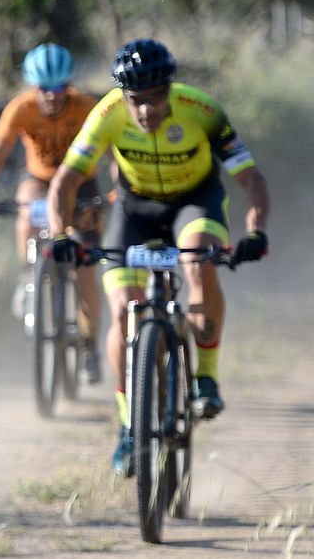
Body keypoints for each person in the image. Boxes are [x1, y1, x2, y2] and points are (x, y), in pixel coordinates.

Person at [46, 38, 270, 476]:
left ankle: (205, 377)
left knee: (198, 264)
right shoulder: (107, 113)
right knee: (122, 310)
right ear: (123, 97)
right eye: (136, 102)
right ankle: (129, 423)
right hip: (134, 210)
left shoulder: (202, 110)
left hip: (195, 203)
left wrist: (256, 230)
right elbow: (66, 180)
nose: (146, 111)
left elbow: (250, 177)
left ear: (170, 90)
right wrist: (58, 234)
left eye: (154, 100)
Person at [0, 43, 105, 382]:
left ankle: (89, 345)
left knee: (85, 270)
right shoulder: (21, 108)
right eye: (44, 88)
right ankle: (28, 275)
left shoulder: (87, 107)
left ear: (67, 84)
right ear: (33, 86)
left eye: (59, 88)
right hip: (40, 180)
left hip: (81, 186)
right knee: (26, 210)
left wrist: (118, 188)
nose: (52, 96)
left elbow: (113, 149)